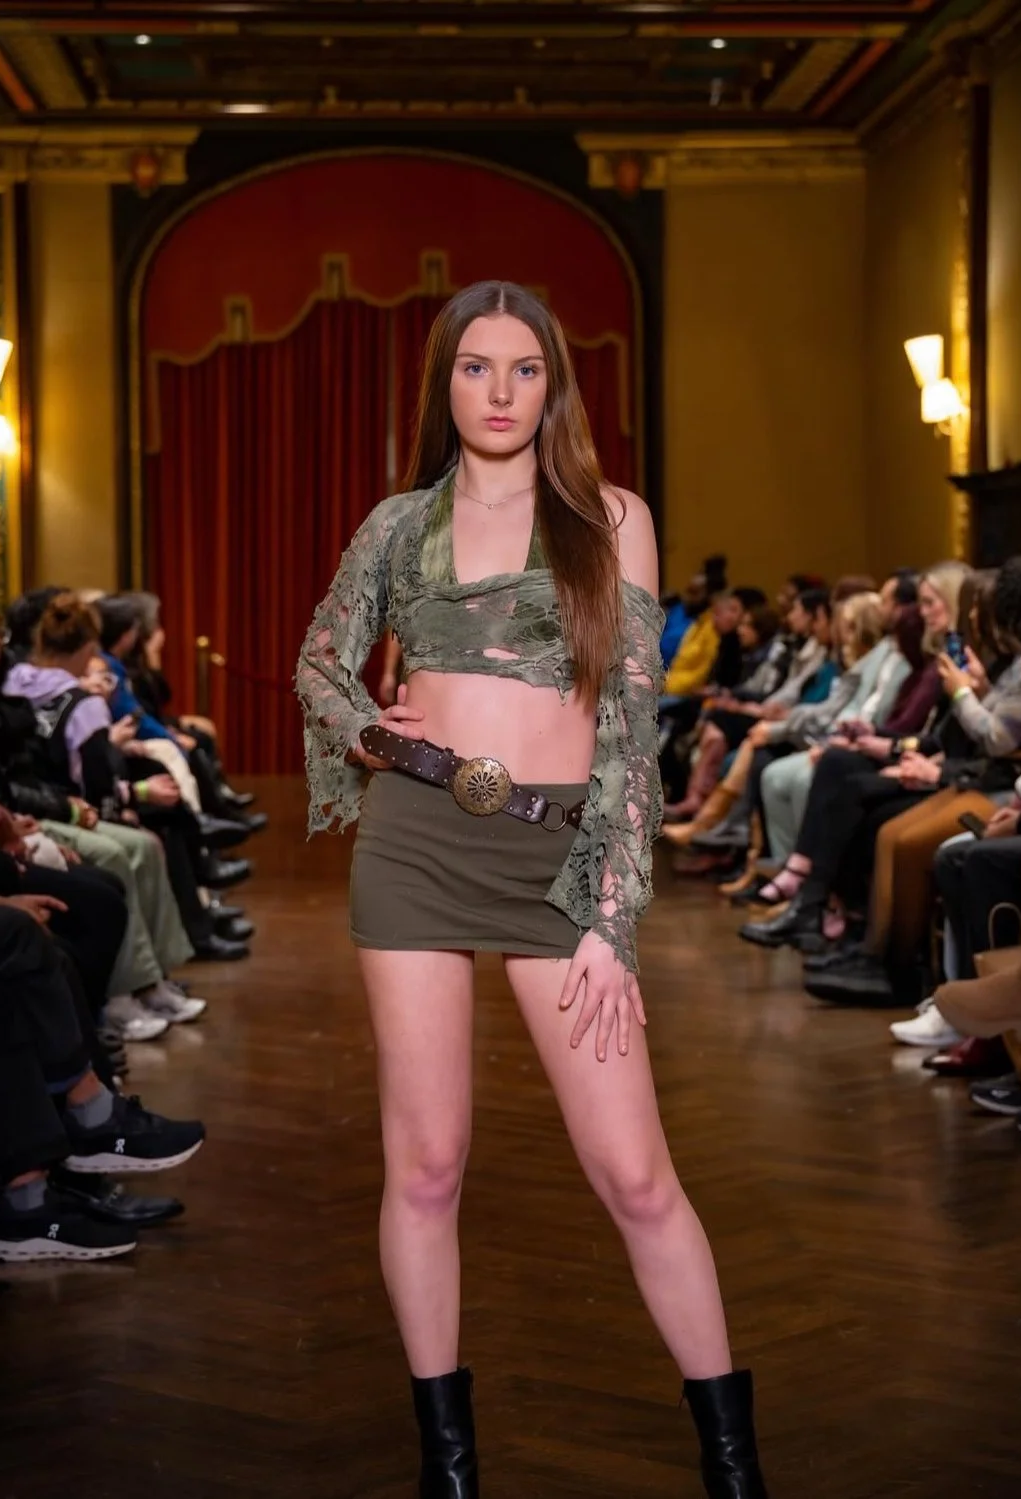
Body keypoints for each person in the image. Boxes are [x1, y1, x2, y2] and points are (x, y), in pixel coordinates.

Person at [296, 281, 767, 1499]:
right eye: (474, 367)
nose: (499, 392)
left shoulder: (612, 518)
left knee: (636, 1174)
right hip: (414, 843)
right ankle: (448, 1470)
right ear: (442, 381)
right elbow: (319, 663)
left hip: (558, 858)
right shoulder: (400, 525)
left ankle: (733, 1466)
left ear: (553, 385)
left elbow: (629, 728)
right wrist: (373, 738)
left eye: (525, 370)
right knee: (429, 1164)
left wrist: (609, 915)